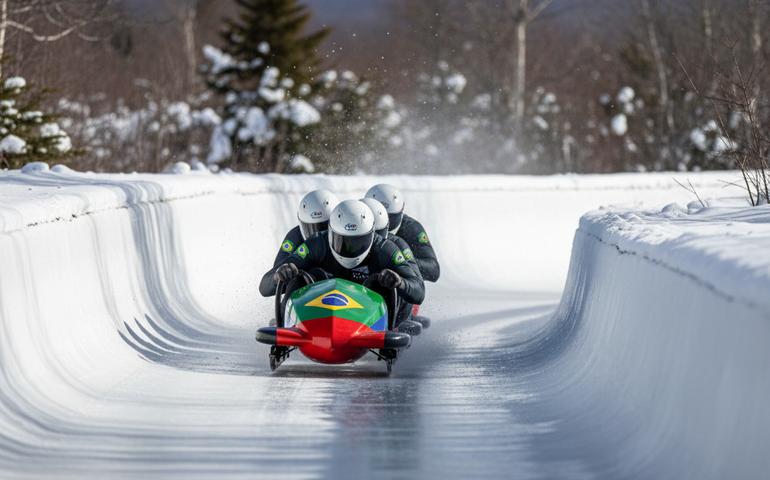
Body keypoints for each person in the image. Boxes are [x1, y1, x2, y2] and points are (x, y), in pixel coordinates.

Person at [259, 200, 425, 333]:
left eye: (357, 241)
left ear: (371, 236)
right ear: (330, 233)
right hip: (320, 308)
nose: (350, 248)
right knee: (303, 275)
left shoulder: (385, 249)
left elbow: (418, 291)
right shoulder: (317, 244)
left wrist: (400, 283)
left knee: (386, 280)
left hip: (367, 310)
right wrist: (279, 277)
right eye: (343, 241)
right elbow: (264, 286)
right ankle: (288, 321)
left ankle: (389, 325)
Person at [364, 184, 440, 282]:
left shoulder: (411, 228)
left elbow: (433, 270)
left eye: (390, 217)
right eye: (377, 218)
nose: (385, 224)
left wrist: (401, 262)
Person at [272, 189, 339, 267]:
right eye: (311, 228)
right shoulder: (294, 237)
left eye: (323, 228)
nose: (318, 236)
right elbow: (279, 267)